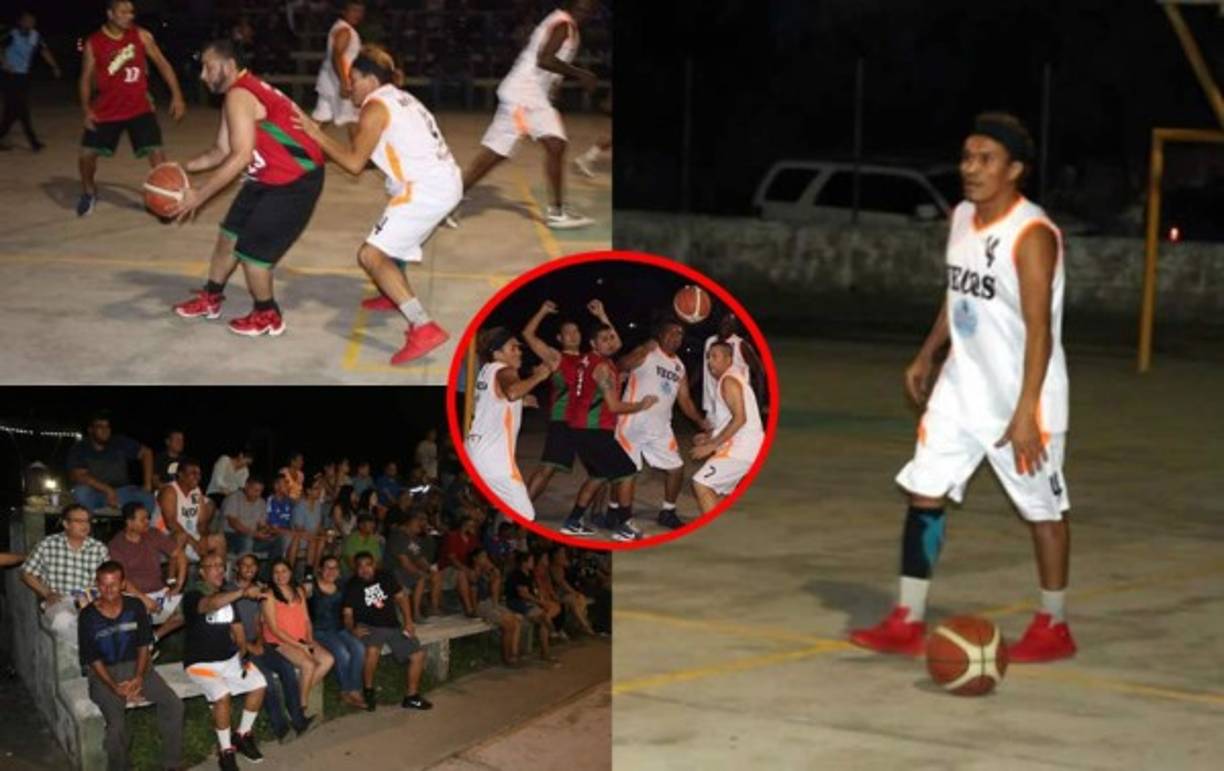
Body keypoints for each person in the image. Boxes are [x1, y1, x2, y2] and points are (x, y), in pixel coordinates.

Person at [850, 113, 1076, 664]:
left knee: (1042, 512)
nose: (970, 169)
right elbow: (958, 294)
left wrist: (1025, 413)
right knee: (924, 491)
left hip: (1023, 397)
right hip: (960, 390)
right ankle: (907, 616)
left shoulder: (1032, 235)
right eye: (967, 157)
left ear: (1015, 170)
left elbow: (1041, 331)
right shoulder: (961, 217)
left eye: (986, 159)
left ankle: (1054, 624)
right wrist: (929, 353)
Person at [293, 45, 459, 364]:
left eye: (353, 78)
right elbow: (374, 155)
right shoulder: (401, 98)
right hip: (443, 180)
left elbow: (354, 163)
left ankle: (423, 326)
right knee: (393, 242)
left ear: (370, 79)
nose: (349, 85)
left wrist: (316, 134)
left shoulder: (374, 108)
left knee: (370, 255)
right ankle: (391, 292)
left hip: (425, 188)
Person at [169, 38, 325, 338]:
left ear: (228, 66)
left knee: (253, 254)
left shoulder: (240, 94)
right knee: (229, 237)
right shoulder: (240, 90)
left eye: (208, 67)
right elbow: (221, 150)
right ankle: (211, 297)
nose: (202, 75)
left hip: (295, 181)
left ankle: (268, 315)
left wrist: (198, 196)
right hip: (269, 176)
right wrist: (181, 168)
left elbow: (240, 157)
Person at [462, 0, 599, 230]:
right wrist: (581, 74)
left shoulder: (561, 22)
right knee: (545, 146)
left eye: (590, 7)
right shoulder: (563, 25)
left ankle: (450, 198)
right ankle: (557, 212)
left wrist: (553, 88)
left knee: (502, 153)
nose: (587, 10)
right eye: (582, 6)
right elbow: (544, 59)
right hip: (525, 96)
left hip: (528, 95)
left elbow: (541, 57)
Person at [77, 0, 185, 216]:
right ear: (110, 14)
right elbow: (85, 78)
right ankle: (89, 191)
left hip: (139, 107)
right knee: (86, 155)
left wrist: (177, 95)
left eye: (131, 11)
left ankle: (166, 198)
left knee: (157, 154)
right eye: (123, 12)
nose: (130, 15)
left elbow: (163, 64)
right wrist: (86, 109)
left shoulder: (142, 36)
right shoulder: (95, 42)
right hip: (107, 109)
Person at [78, 561, 184, 771]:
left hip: (138, 667)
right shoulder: (88, 616)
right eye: (104, 585)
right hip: (104, 674)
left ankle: (172, 763)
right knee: (116, 727)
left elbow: (143, 645)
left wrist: (138, 678)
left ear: (123, 584)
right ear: (97, 585)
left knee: (174, 704)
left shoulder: (135, 606)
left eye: (114, 584)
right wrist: (115, 688)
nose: (109, 590)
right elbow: (93, 659)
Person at [613, 317, 710, 530]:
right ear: (661, 334)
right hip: (632, 424)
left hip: (660, 428)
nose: (676, 338)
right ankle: (619, 515)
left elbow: (684, 400)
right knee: (625, 472)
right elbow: (621, 365)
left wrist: (700, 421)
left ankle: (667, 512)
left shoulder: (679, 367)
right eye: (672, 332)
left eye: (680, 334)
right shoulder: (647, 352)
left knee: (676, 468)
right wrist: (643, 350)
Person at [563, 323, 657, 541]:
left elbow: (592, 388)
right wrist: (641, 405)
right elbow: (614, 406)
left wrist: (615, 380)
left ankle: (573, 521)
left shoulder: (586, 361)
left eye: (611, 338)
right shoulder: (603, 367)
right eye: (603, 339)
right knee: (627, 471)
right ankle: (625, 525)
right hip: (594, 430)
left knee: (598, 475)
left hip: (579, 428)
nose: (610, 342)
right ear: (593, 343)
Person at [181, 552, 267, 770]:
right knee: (222, 695)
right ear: (202, 571)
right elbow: (209, 604)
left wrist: (243, 651)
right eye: (213, 566)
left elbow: (237, 629)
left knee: (259, 683)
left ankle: (242, 734)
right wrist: (243, 592)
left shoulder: (229, 596)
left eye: (222, 565)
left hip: (228, 659)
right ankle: (225, 749)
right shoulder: (193, 595)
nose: (220, 570)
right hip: (201, 664)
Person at [466, 328, 553, 521]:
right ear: (497, 352)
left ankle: (495, 528)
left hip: (477, 450)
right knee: (526, 516)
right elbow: (512, 391)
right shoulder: (504, 370)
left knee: (508, 511)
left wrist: (522, 402)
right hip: (494, 459)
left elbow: (496, 401)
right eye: (513, 348)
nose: (519, 352)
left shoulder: (486, 371)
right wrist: (539, 376)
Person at [229, 554, 314, 743]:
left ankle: (298, 720)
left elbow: (261, 622)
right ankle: (281, 728)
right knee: (266, 678)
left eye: (253, 565)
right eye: (245, 565)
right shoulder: (229, 591)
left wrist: (259, 642)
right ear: (237, 567)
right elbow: (228, 628)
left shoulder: (261, 590)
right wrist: (248, 646)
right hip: (236, 645)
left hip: (257, 642)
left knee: (286, 669)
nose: (249, 568)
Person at [342, 552, 432, 712]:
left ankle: (411, 697)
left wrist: (409, 622)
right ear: (355, 568)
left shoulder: (385, 576)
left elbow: (402, 598)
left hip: (392, 625)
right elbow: (347, 613)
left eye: (368, 565)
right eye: (360, 566)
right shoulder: (352, 584)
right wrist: (352, 629)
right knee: (372, 650)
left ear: (374, 565)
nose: (364, 569)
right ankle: (368, 691)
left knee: (418, 655)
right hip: (369, 626)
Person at [521, 300, 588, 507]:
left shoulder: (589, 359)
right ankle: (520, 509)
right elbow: (528, 335)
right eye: (567, 332)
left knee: (603, 471)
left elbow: (614, 345)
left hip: (588, 422)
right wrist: (542, 311)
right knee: (547, 468)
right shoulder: (556, 357)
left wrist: (603, 316)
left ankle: (596, 515)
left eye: (576, 331)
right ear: (560, 338)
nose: (573, 335)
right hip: (564, 420)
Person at [690, 342, 766, 512]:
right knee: (720, 496)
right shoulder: (731, 379)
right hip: (745, 447)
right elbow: (729, 419)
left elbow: (740, 419)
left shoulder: (729, 381)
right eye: (709, 357)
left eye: (715, 357)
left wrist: (712, 445)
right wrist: (710, 436)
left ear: (728, 359)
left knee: (701, 484)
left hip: (741, 449)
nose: (710, 361)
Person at [20, 504, 110, 641]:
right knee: (66, 623)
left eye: (87, 521)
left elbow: (107, 579)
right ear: (66, 524)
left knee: (112, 623)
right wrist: (47, 593)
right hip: (60, 601)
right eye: (79, 521)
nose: (85, 525)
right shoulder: (48, 544)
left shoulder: (99, 548)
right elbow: (26, 573)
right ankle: (83, 659)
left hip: (90, 599)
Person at [107, 502, 187, 645]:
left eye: (148, 518)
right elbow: (122, 580)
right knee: (134, 615)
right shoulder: (116, 545)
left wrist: (178, 585)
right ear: (129, 522)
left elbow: (179, 554)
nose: (147, 522)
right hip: (133, 596)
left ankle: (154, 637)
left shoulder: (153, 534)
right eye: (143, 519)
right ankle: (143, 646)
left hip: (159, 593)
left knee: (188, 608)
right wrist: (144, 599)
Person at [262, 559, 334, 717]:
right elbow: (274, 629)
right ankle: (300, 706)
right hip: (279, 641)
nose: (280, 575)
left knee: (328, 660)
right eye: (276, 572)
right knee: (308, 664)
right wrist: (301, 647)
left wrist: (309, 639)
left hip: (301, 638)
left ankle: (296, 697)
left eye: (284, 571)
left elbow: (307, 619)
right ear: (272, 575)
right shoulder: (268, 595)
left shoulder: (299, 590)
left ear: (290, 572)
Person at [67, 411, 156, 515]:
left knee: (147, 497)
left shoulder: (119, 442)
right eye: (100, 427)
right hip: (94, 493)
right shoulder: (80, 448)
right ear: (91, 430)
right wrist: (107, 490)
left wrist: (147, 484)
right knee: (81, 492)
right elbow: (79, 476)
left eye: (107, 427)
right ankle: (85, 527)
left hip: (121, 492)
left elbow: (147, 453)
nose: (105, 430)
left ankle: (147, 530)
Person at [308, 555, 368, 709]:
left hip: (339, 628)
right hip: (319, 631)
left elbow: (349, 608)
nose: (331, 571)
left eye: (335, 567)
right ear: (320, 569)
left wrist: (353, 627)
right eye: (328, 567)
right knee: (342, 653)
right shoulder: (311, 587)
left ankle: (354, 690)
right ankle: (345, 691)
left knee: (359, 648)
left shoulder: (342, 585)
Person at [1, 10, 60, 152]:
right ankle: (33, 143)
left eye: (32, 21)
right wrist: (3, 62)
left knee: (12, 110)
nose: (30, 23)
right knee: (21, 108)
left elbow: (44, 51)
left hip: (23, 76)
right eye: (27, 20)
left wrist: (54, 66)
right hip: (9, 76)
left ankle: (5, 136)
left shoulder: (35, 36)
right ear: (20, 22)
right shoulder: (12, 34)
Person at [311, 0, 364, 142]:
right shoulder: (345, 31)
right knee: (353, 118)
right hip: (338, 82)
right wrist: (344, 81)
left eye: (360, 11)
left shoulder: (339, 28)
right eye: (354, 10)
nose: (357, 14)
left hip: (328, 80)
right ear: (345, 11)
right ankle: (357, 154)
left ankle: (301, 147)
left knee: (320, 119)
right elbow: (337, 55)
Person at [156, 458, 221, 566]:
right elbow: (171, 523)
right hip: (165, 536)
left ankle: (215, 578)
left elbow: (202, 523)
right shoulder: (169, 490)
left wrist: (203, 539)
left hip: (190, 536)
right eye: (193, 473)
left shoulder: (196, 491)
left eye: (199, 474)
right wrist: (194, 543)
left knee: (218, 540)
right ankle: (172, 580)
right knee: (180, 537)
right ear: (181, 474)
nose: (197, 477)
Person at [702, 313, 764, 417]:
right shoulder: (710, 342)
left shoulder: (741, 345)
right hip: (712, 405)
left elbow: (759, 371)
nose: (725, 326)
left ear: (735, 326)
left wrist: (758, 403)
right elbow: (705, 368)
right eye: (723, 322)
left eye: (729, 323)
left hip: (735, 405)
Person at [384, 509, 440, 621]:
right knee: (420, 578)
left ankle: (434, 608)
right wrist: (422, 573)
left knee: (436, 575)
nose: (422, 524)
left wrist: (430, 569)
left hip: (406, 571)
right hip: (394, 571)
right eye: (419, 521)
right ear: (410, 521)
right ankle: (416, 613)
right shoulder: (398, 536)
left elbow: (419, 558)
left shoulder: (415, 538)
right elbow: (405, 563)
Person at [470, 547, 522, 666]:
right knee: (508, 623)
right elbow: (473, 590)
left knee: (516, 620)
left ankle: (514, 654)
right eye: (482, 557)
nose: (486, 559)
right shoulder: (472, 573)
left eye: (486, 557)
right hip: (480, 605)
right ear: (475, 559)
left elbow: (495, 590)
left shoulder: (487, 573)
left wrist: (494, 571)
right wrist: (474, 611)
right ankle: (507, 657)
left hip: (491, 603)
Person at [504, 551, 559, 665]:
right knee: (543, 618)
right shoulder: (517, 574)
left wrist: (541, 600)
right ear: (524, 563)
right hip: (516, 602)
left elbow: (534, 591)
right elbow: (523, 594)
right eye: (531, 560)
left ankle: (546, 650)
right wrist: (540, 602)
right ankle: (551, 633)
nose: (533, 563)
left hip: (528, 603)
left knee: (546, 617)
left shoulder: (529, 574)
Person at [223, 477, 277, 560]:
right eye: (255, 490)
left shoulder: (261, 502)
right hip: (232, 536)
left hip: (253, 538)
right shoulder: (234, 498)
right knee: (247, 539)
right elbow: (233, 523)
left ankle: (273, 570)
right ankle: (245, 569)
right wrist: (254, 534)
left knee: (278, 540)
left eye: (260, 491)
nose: (257, 494)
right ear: (246, 486)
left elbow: (262, 524)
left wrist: (267, 531)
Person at [437, 515, 481, 617]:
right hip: (448, 569)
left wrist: (477, 569)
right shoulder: (452, 537)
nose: (473, 528)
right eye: (470, 526)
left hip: (466, 568)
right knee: (462, 575)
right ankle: (469, 609)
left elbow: (478, 555)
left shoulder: (472, 539)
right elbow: (452, 559)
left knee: (482, 572)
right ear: (463, 525)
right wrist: (467, 570)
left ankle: (480, 606)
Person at [547, 545, 596, 635]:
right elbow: (562, 583)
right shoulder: (553, 568)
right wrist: (574, 592)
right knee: (574, 602)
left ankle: (581, 625)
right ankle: (585, 626)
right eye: (561, 553)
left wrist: (575, 592)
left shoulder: (565, 565)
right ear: (555, 555)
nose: (563, 554)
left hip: (568, 592)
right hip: (558, 594)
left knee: (580, 599)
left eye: (563, 552)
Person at [290, 474, 328, 576]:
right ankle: (309, 572)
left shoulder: (317, 505)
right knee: (313, 541)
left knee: (322, 540)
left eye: (319, 488)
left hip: (312, 536)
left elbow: (318, 524)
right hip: (300, 537)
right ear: (308, 491)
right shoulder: (301, 505)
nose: (319, 491)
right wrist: (314, 535)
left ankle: (314, 572)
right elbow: (299, 529)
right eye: (316, 488)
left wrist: (323, 532)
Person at [205, 448, 252, 512]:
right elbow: (218, 482)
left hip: (230, 498)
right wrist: (230, 494)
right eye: (245, 462)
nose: (245, 465)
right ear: (241, 456)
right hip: (216, 493)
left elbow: (242, 487)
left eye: (248, 464)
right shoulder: (225, 460)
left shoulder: (245, 471)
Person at [265, 474, 296, 560]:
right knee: (288, 537)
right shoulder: (271, 501)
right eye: (285, 483)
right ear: (276, 486)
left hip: (288, 532)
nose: (288, 486)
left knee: (297, 538)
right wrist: (292, 532)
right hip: (275, 533)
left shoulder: (289, 501)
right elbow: (274, 527)